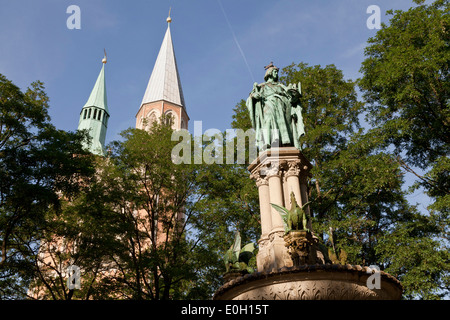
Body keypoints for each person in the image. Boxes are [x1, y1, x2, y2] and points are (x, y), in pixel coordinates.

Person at [246, 64, 305, 150]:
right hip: (269, 104)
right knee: (269, 119)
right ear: (269, 73)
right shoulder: (262, 86)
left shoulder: (281, 86)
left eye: (277, 72)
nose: (276, 74)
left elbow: (291, 100)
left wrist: (295, 96)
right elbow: (250, 98)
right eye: (275, 71)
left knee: (286, 125)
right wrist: (254, 96)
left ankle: (286, 143)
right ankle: (268, 142)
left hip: (283, 107)